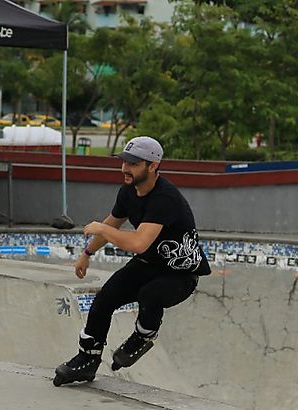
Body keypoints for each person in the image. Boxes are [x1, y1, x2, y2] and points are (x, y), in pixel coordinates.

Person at [54, 136, 211, 386]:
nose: (125, 169)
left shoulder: (164, 198)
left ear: (152, 166)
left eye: (134, 164)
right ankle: (87, 361)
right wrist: (87, 253)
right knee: (104, 300)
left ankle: (142, 336)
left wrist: (102, 231)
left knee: (150, 294)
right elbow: (112, 223)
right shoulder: (128, 191)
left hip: (179, 275)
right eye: (124, 162)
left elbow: (138, 243)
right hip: (147, 265)